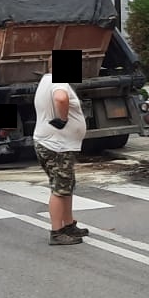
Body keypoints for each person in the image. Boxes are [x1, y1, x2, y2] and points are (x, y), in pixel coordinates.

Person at [33, 63, 88, 246]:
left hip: (52, 144)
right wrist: (63, 120)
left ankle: (68, 225)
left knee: (66, 185)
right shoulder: (59, 83)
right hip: (57, 146)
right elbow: (61, 99)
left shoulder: (46, 80)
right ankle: (57, 232)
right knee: (60, 188)